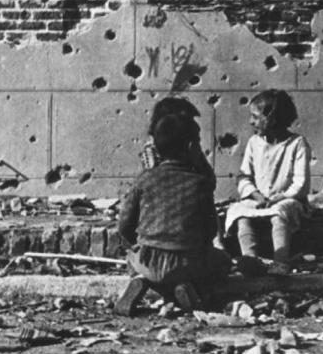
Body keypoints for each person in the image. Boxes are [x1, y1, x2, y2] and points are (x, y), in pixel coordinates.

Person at [114, 99, 230, 316]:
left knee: (133, 258)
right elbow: (210, 229)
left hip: (147, 258)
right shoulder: (199, 181)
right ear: (190, 146)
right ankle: (182, 285)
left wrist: (134, 245)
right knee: (222, 262)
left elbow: (125, 224)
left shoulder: (145, 178)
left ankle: (141, 279)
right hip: (186, 260)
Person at [224, 90, 311, 275]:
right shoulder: (254, 143)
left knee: (279, 213)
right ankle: (250, 260)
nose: (251, 122)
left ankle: (280, 262)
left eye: (256, 117)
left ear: (272, 118)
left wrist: (280, 197)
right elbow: (244, 176)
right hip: (259, 199)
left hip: (287, 200)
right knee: (239, 213)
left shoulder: (297, 143)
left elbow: (300, 183)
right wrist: (256, 195)